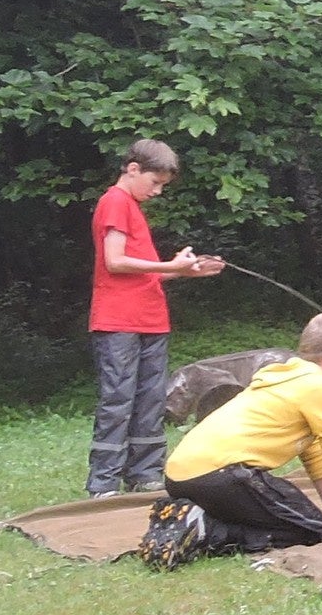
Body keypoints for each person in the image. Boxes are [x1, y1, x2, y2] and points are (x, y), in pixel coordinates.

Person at [137, 313, 322, 565]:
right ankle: (206, 529)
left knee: (312, 521)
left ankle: (190, 516)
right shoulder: (320, 385)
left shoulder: (287, 377)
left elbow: (317, 458)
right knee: (310, 529)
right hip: (219, 475)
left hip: (180, 477)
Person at [85, 139, 224, 495]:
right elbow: (114, 262)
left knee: (150, 400)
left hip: (151, 320)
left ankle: (144, 474)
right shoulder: (115, 202)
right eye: (155, 182)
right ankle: (103, 482)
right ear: (133, 169)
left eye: (163, 185)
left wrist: (186, 271)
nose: (158, 191)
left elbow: (146, 273)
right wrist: (170, 264)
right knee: (118, 399)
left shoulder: (133, 206)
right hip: (118, 321)